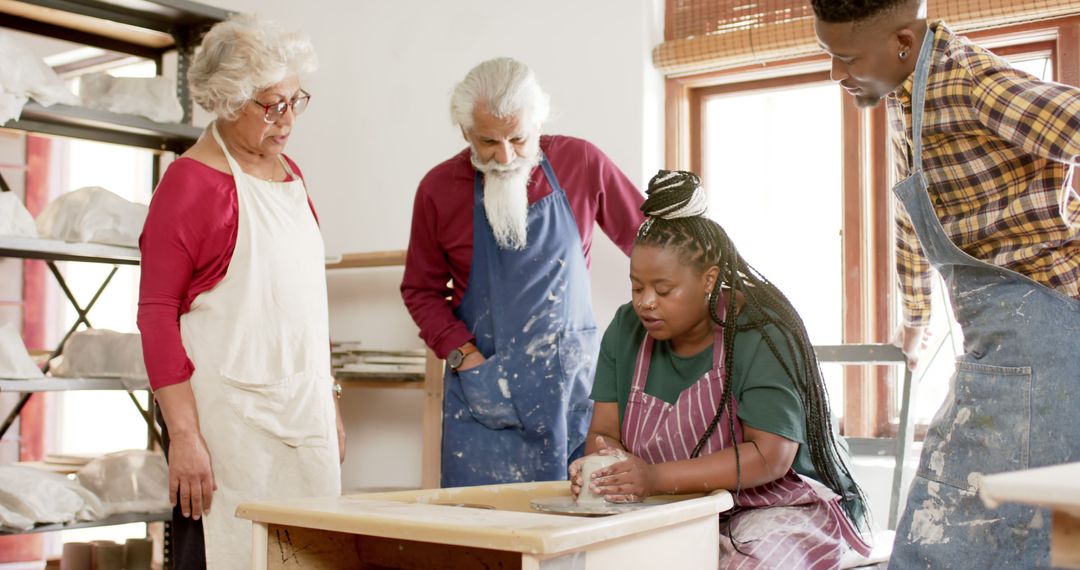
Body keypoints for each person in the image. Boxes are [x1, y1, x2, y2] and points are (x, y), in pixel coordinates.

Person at [812, 0, 1080, 566]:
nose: (836, 72)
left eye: (845, 58)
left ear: (902, 43)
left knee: (970, 533)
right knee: (941, 520)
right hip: (1000, 341)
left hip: (1047, 336)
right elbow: (914, 221)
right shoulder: (907, 98)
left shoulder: (970, 82)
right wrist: (916, 321)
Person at [572, 170, 871, 568]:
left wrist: (653, 478)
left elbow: (771, 456)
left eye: (663, 290)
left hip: (775, 508)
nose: (645, 302)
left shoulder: (761, 332)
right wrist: (605, 469)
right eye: (636, 287)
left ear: (709, 279)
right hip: (673, 508)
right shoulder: (626, 329)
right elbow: (603, 432)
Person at [137, 15, 342, 569]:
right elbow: (157, 317)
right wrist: (183, 435)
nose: (289, 120)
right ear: (227, 101)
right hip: (224, 432)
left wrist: (329, 404)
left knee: (311, 557)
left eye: (296, 100)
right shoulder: (189, 184)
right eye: (271, 105)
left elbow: (302, 307)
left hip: (302, 418)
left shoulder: (290, 174)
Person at [401, 57, 645, 487]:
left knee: (572, 534)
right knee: (481, 537)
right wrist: (464, 355)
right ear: (464, 131)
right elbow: (420, 289)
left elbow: (652, 243)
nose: (505, 156)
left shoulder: (580, 162)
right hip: (484, 393)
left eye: (518, 137)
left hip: (573, 390)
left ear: (539, 121)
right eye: (488, 141)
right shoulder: (438, 189)